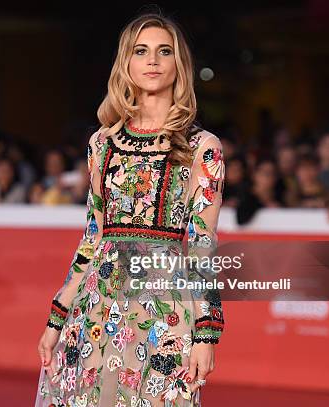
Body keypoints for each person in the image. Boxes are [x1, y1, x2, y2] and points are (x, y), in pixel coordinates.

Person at [35, 13, 225, 406]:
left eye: (164, 51)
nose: (152, 61)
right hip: (96, 308)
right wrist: (57, 316)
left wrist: (206, 335)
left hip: (165, 310)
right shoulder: (101, 144)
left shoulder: (202, 147)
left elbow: (202, 247)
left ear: (179, 65)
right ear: (126, 63)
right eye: (141, 51)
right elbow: (93, 238)